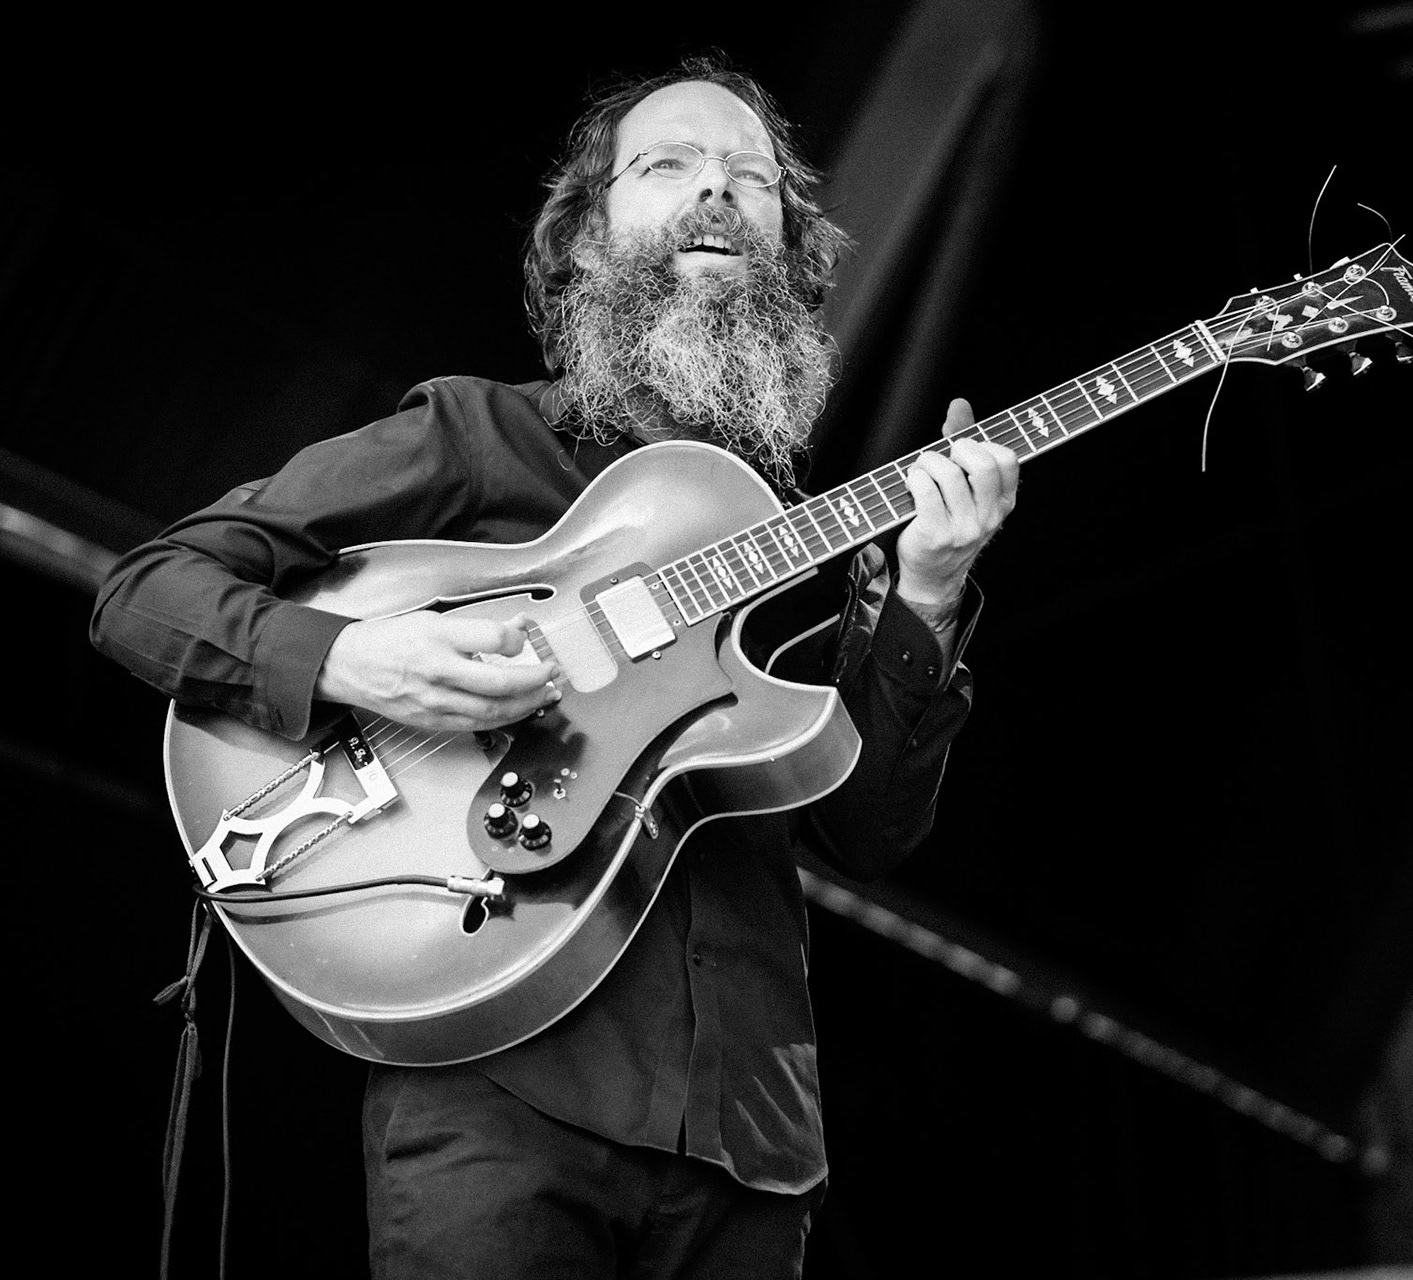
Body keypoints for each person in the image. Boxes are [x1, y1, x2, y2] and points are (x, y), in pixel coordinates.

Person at [91, 54, 1019, 1278]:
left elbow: (867, 830)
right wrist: (360, 657)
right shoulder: (482, 434)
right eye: (668, 165)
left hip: (749, 1140)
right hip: (501, 1109)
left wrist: (932, 593)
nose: (718, 194)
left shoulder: (829, 536)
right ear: (584, 242)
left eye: (752, 181)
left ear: (791, 260)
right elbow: (146, 591)